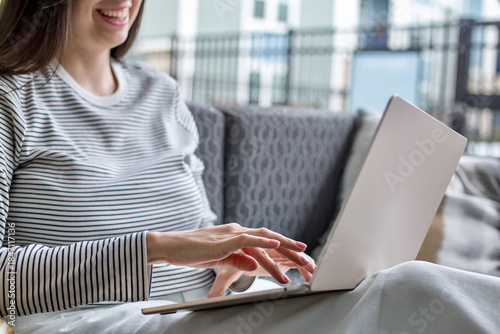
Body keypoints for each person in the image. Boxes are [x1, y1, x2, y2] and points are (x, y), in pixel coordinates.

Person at [0, 1, 499, 333]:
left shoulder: (162, 95)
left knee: (385, 288)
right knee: (414, 289)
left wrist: (234, 272)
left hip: (194, 315)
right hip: (96, 323)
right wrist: (158, 248)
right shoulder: (11, 99)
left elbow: (204, 253)